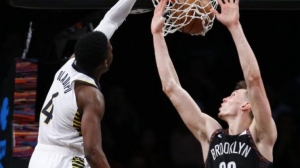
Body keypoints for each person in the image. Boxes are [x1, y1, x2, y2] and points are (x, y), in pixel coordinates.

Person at [151, 0, 277, 167]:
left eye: (233, 95)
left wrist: (234, 26)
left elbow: (253, 80)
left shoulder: (260, 135)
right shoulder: (211, 134)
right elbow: (171, 88)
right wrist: (157, 34)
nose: (225, 98)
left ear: (247, 105)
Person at [29, 0, 136, 167]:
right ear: (105, 62)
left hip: (39, 157)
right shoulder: (91, 96)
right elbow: (92, 152)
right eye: (110, 49)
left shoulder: (70, 63)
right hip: (65, 160)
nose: (111, 47)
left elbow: (111, 21)